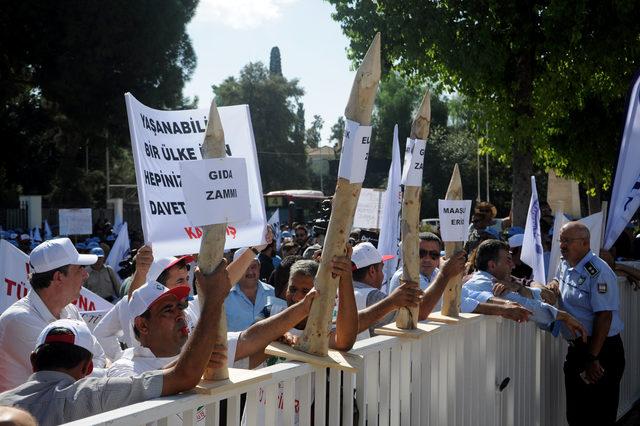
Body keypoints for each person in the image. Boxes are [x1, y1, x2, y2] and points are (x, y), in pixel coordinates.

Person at [0, 260, 231, 425]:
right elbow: (182, 377)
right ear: (87, 368)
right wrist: (213, 299)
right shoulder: (96, 394)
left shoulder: (4, 404)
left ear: (33, 360)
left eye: (180, 306)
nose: (180, 314)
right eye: (168, 309)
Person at [0, 238, 107, 392]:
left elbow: (98, 356)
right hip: (27, 414)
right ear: (58, 277)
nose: (86, 275)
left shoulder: (69, 310)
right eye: (79, 269)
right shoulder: (19, 320)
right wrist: (109, 370)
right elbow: (69, 377)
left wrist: (99, 366)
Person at [547, 222, 625, 426]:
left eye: (567, 241)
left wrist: (592, 357)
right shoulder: (565, 263)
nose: (562, 245)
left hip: (601, 350)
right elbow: (558, 280)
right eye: (561, 240)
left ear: (584, 243)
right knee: (576, 416)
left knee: (599, 416)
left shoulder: (598, 272)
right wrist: (552, 287)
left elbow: (604, 317)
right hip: (578, 348)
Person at [462, 239, 587, 334]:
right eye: (507, 260)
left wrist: (520, 288)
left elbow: (545, 297)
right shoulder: (488, 283)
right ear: (492, 265)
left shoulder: (490, 281)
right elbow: (523, 305)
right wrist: (564, 316)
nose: (513, 266)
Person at [224, 248, 277, 332]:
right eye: (244, 267)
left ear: (259, 267)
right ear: (237, 270)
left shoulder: (272, 292)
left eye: (253, 267)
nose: (250, 272)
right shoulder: (224, 296)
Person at [388, 233, 441, 302]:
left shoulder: (437, 273)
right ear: (412, 254)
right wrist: (444, 277)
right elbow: (424, 305)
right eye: (421, 253)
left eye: (433, 254)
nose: (427, 259)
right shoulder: (404, 276)